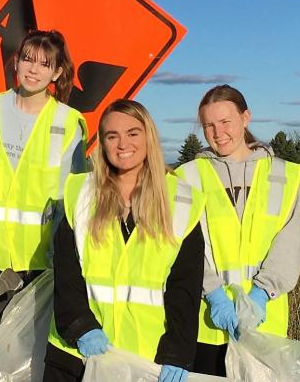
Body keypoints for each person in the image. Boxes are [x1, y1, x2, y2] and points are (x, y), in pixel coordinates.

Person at [45, 99, 206, 382]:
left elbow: (185, 288)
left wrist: (178, 352)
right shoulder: (80, 194)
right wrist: (80, 327)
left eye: (133, 133)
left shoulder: (182, 201)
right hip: (78, 355)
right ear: (103, 144)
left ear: (148, 137)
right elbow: (66, 272)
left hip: (144, 358)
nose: (123, 144)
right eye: (112, 136)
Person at [0, 29, 87, 346]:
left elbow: (75, 192)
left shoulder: (68, 121)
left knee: (34, 350)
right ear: (16, 63)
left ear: (57, 72)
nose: (33, 70)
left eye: (45, 64)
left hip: (44, 260)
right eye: (28, 60)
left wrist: (69, 251)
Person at [175, 84, 300, 377]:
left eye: (225, 122)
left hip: (264, 322)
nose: (218, 132)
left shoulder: (283, 174)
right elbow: (184, 245)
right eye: (209, 125)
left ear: (245, 118)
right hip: (208, 323)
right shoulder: (188, 177)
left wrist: (261, 295)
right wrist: (213, 294)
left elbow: (289, 242)